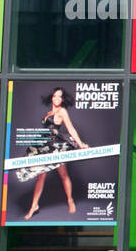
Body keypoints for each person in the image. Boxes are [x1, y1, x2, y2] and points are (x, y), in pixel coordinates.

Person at [22, 87, 89, 220]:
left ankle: (70, 200)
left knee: (63, 175)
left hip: (55, 147)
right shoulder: (49, 112)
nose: (57, 98)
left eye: (60, 96)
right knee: (40, 176)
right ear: (52, 98)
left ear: (62, 99)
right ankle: (34, 206)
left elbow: (70, 128)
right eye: (55, 96)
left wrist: (81, 144)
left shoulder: (62, 111)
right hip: (44, 146)